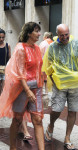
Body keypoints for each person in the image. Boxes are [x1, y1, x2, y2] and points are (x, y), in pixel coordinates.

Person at [42, 24, 78, 150]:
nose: (64, 37)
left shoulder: (76, 43)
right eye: (62, 35)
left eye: (66, 34)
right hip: (60, 83)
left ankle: (67, 138)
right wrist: (54, 81)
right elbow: (48, 66)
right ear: (57, 35)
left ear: (69, 32)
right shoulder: (52, 47)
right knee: (57, 109)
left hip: (75, 83)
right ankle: (51, 125)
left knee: (73, 110)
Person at [0, 22, 44, 150]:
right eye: (36, 31)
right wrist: (27, 90)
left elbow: (38, 69)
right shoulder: (20, 48)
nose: (39, 34)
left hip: (37, 87)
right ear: (29, 33)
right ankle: (12, 147)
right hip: (22, 89)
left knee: (38, 119)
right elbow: (20, 72)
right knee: (18, 119)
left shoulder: (37, 48)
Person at [0, 28, 11, 94]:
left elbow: (10, 59)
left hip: (5, 70)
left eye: (3, 37)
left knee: (4, 89)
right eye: (0, 37)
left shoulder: (7, 46)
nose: (1, 39)